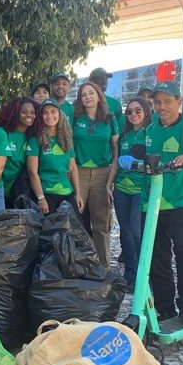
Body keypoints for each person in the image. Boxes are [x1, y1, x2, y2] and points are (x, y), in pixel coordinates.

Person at [124, 81, 183, 327]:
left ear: (178, 102)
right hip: (151, 204)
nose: (162, 106)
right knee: (155, 258)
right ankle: (164, 309)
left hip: (180, 202)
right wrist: (129, 159)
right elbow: (139, 153)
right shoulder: (149, 130)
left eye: (167, 101)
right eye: (158, 102)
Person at [107, 97, 152, 293]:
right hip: (121, 190)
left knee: (137, 233)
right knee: (126, 233)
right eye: (130, 111)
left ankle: (144, 275)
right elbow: (116, 161)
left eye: (138, 111)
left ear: (146, 112)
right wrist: (109, 184)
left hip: (141, 190)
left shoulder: (151, 134)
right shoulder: (124, 135)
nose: (133, 114)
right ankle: (130, 274)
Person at [73, 81, 119, 267]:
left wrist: (110, 181)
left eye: (91, 93)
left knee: (101, 222)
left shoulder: (109, 118)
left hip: (103, 172)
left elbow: (116, 151)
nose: (88, 97)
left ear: (99, 95)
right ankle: (79, 264)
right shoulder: (75, 118)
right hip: (80, 172)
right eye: (83, 95)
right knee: (76, 219)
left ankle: (104, 266)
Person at [26, 98, 82, 215]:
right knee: (50, 231)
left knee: (74, 230)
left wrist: (77, 193)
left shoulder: (67, 139)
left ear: (59, 114)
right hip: (47, 193)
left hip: (67, 192)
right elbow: (32, 172)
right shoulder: (35, 140)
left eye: (53, 111)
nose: (49, 115)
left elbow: (73, 168)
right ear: (41, 117)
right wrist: (41, 198)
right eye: (45, 112)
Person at [0, 96, 40, 207]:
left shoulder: (32, 138)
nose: (29, 115)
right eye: (24, 112)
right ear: (16, 113)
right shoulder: (3, 133)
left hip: (17, 190)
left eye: (32, 112)